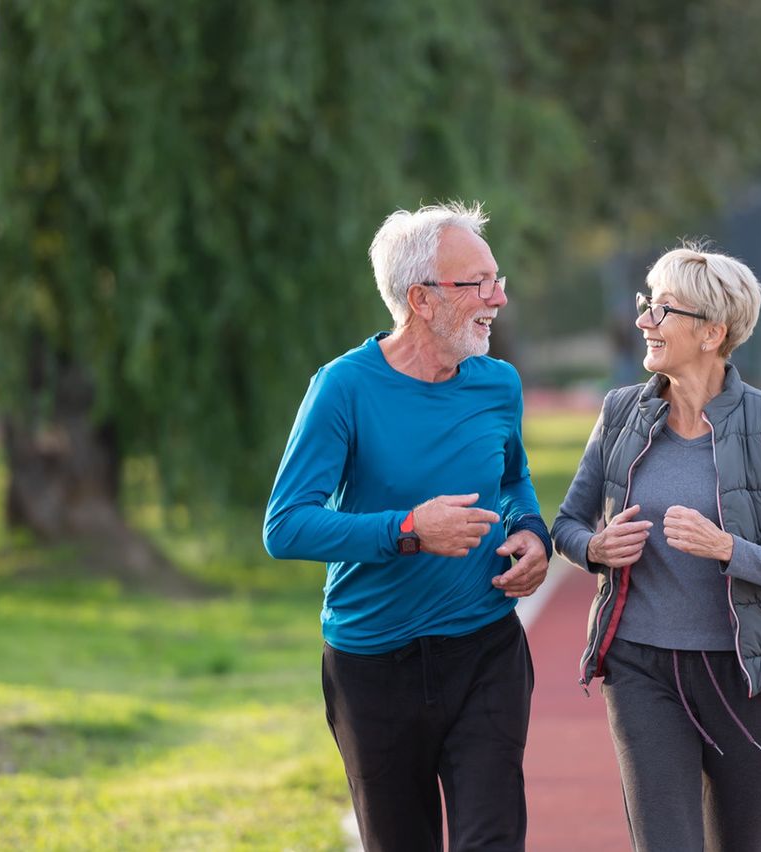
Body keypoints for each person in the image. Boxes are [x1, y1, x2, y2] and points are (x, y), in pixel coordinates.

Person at [263, 202, 551, 852]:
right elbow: (286, 527)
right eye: (477, 282)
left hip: (484, 649)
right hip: (374, 664)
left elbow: (511, 477)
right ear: (420, 298)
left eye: (496, 278)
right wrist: (408, 530)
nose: (498, 297)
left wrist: (532, 531)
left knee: (492, 839)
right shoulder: (343, 388)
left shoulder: (498, 384)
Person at [551, 244, 761, 852]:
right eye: (646, 304)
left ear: (712, 332)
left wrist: (728, 547)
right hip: (641, 668)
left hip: (746, 678)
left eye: (663, 309)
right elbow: (566, 524)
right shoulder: (620, 413)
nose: (644, 321)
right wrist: (596, 548)